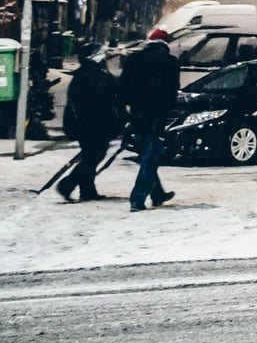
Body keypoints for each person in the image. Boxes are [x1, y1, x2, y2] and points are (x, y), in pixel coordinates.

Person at [119, 37, 181, 212]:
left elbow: (123, 87)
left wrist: (133, 106)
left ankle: (157, 194)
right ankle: (137, 199)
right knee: (151, 155)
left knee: (149, 151)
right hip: (157, 114)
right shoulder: (171, 62)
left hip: (139, 113)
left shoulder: (133, 60)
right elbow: (172, 90)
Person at [56, 43, 123, 203]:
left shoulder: (95, 73)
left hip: (94, 123)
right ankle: (67, 184)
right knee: (93, 156)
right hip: (91, 124)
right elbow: (90, 102)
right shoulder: (90, 74)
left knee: (91, 156)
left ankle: (87, 190)